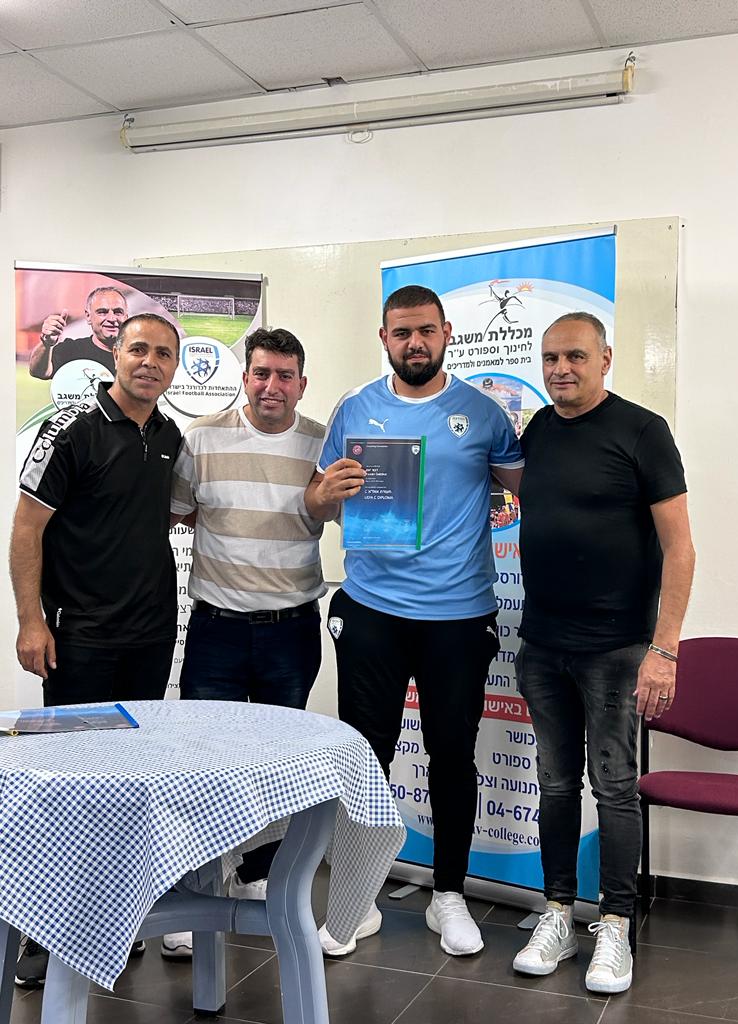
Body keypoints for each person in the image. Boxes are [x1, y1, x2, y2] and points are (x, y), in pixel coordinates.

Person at [305, 285, 524, 957]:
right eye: (402, 333)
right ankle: (357, 898)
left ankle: (449, 895)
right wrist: (325, 493)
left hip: (458, 615)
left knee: (452, 755)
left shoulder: (484, 414)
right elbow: (316, 504)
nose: (415, 343)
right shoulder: (355, 407)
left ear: (447, 332)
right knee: (364, 757)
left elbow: (530, 491)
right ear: (384, 338)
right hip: (371, 608)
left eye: (425, 330)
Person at [512, 312, 695, 994]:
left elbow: (681, 548)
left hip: (616, 650)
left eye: (575, 356)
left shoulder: (643, 431)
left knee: (614, 787)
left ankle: (615, 923)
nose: (561, 369)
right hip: (542, 646)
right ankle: (558, 912)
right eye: (551, 357)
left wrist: (664, 650)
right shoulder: (538, 429)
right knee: (556, 784)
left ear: (605, 358)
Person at [10, 312, 182, 986]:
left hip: (150, 636)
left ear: (174, 367)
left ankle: (114, 918)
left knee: (131, 782)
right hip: (78, 636)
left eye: (163, 353)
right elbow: (27, 530)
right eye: (138, 348)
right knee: (68, 786)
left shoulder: (169, 435)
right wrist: (31, 622)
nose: (149, 362)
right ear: (115, 353)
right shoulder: (70, 430)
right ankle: (46, 931)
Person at [162, 327, 326, 961]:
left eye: (284, 375)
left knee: (276, 764)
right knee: (202, 762)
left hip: (291, 628)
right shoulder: (200, 439)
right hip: (217, 629)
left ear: (301, 384)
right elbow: (179, 512)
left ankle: (258, 876)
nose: (271, 386)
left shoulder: (323, 442)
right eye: (261, 373)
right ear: (244, 377)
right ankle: (195, 890)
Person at [28, 286, 129, 379]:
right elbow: (38, 372)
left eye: (118, 312)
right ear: (88, 316)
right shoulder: (72, 350)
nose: (111, 318)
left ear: (126, 317)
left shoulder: (136, 355)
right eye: (102, 312)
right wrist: (46, 343)